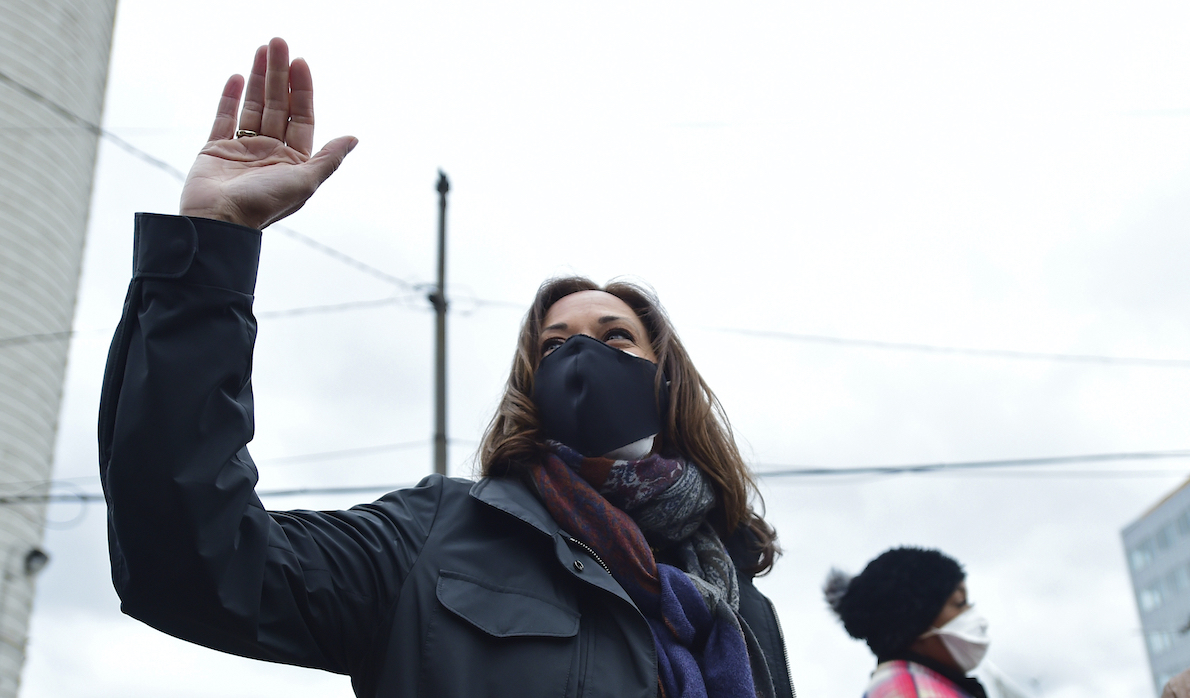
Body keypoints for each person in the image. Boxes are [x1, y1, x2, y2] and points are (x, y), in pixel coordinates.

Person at [98, 37, 794, 698]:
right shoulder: (435, 537)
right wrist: (211, 252)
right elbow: (193, 561)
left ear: (665, 381)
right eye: (555, 346)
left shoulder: (739, 604)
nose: (583, 356)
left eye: (615, 339)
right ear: (531, 391)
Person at [823, 547, 990, 698]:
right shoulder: (911, 692)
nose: (980, 621)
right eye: (959, 603)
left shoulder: (920, 684)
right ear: (917, 622)